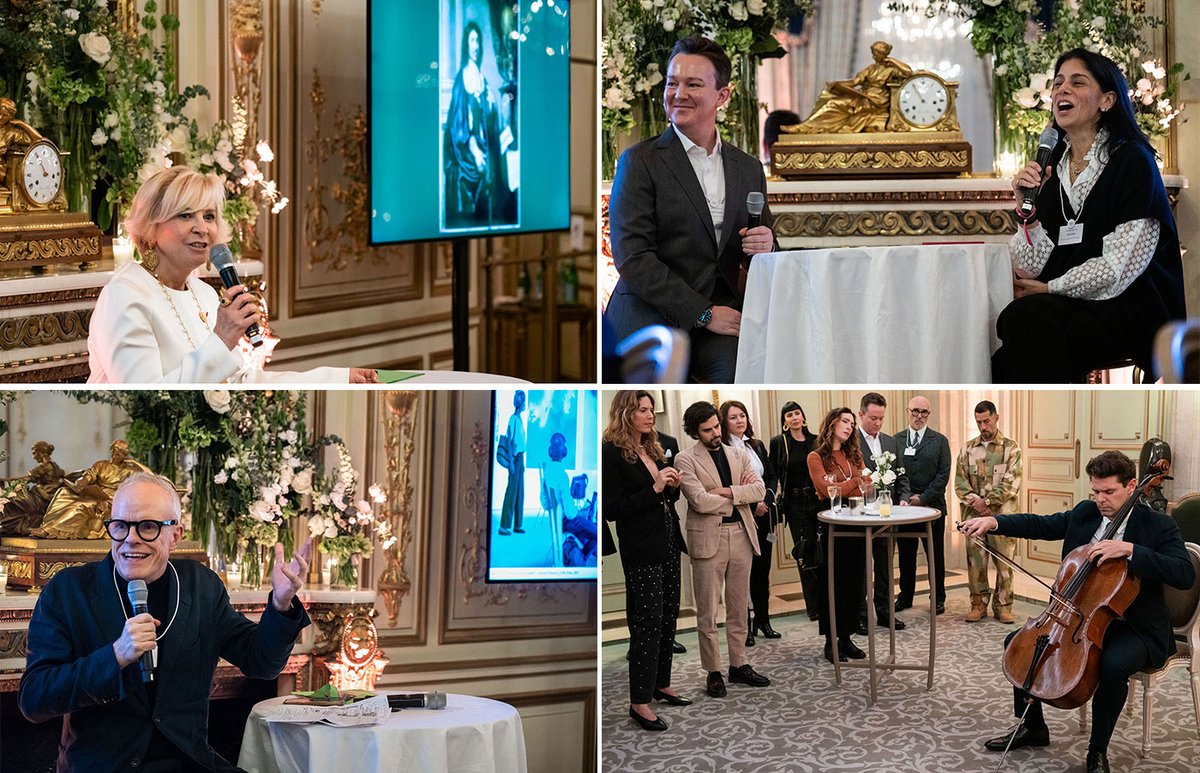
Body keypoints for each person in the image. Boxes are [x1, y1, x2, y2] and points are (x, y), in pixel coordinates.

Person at [19, 473, 312, 771]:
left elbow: (262, 663)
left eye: (148, 526)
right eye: (120, 526)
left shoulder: (201, 586)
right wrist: (115, 656)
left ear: (175, 535)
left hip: (189, 762)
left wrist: (281, 602)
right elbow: (34, 700)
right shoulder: (69, 590)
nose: (130, 539)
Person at [961, 451, 1195, 773]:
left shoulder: (1158, 524)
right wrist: (994, 521)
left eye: (1108, 492)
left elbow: (1184, 573)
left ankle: (1097, 750)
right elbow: (1041, 524)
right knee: (1019, 644)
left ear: (1130, 487)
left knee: (1112, 666)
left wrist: (1131, 550)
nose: (1100, 499)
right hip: (1079, 619)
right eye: (1095, 491)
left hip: (1135, 625)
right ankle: (1033, 727)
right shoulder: (1086, 513)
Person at [992, 48, 1185, 382]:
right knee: (1012, 344)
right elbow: (1029, 265)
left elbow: (1119, 268)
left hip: (1130, 304)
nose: (1061, 90)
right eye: (1058, 83)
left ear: (1107, 100)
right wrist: (1029, 215)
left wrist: (1050, 289)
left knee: (1025, 324)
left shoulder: (1133, 162)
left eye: (1077, 82)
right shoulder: (1053, 166)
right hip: (1066, 305)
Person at [87, 166, 377, 384]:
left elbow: (238, 382)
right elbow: (145, 399)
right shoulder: (124, 296)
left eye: (209, 216)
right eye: (186, 215)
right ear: (151, 226)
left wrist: (337, 378)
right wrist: (223, 337)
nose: (203, 228)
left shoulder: (202, 292)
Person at [606, 35, 777, 383]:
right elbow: (634, 257)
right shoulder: (639, 161)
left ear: (722, 96)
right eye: (672, 83)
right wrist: (702, 313)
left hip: (721, 318)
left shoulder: (747, 168)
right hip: (649, 315)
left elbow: (764, 253)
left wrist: (767, 245)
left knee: (746, 373)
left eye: (693, 84)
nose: (678, 94)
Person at [602, 391, 688, 731]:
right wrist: (653, 488)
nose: (650, 415)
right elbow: (613, 509)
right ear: (626, 413)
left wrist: (672, 485)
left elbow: (665, 497)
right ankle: (639, 702)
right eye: (642, 409)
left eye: (651, 409)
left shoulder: (652, 448)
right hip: (640, 546)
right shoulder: (611, 453)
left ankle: (660, 684)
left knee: (669, 615)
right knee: (647, 622)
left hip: (667, 538)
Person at [675, 401, 769, 697]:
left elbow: (760, 490)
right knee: (707, 609)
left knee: (739, 606)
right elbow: (699, 501)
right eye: (708, 429)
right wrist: (738, 497)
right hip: (707, 539)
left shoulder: (738, 453)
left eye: (717, 426)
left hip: (741, 534)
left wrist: (726, 491)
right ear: (695, 432)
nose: (716, 432)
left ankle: (738, 664)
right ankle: (713, 670)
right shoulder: (684, 459)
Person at [806, 408, 869, 663]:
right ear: (832, 423)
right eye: (845, 421)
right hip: (831, 523)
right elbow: (826, 489)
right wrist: (854, 483)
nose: (849, 426)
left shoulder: (853, 455)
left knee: (854, 584)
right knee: (832, 584)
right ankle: (831, 641)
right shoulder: (816, 456)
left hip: (856, 523)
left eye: (852, 423)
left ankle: (846, 637)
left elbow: (870, 485)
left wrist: (848, 486)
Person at [955, 400, 1023, 623]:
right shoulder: (967, 449)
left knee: (1004, 562)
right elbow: (960, 483)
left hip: (1003, 517)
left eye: (986, 421)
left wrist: (988, 503)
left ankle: (1003, 606)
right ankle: (978, 604)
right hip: (973, 518)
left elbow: (1011, 483)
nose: (983, 426)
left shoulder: (1011, 448)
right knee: (976, 562)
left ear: (996, 418)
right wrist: (977, 503)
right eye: (979, 422)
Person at [718, 400, 778, 646]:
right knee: (742, 575)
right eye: (733, 417)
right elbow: (733, 485)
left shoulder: (756, 445)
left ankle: (763, 621)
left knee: (762, 572)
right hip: (743, 517)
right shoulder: (722, 449)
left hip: (765, 516)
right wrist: (754, 505)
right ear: (724, 422)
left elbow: (770, 476)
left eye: (742, 415)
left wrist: (765, 499)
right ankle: (745, 627)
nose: (740, 420)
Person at [443, 21, 507, 228]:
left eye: (478, 40)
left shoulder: (482, 78)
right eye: (472, 40)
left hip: (483, 144)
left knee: (494, 172)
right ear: (466, 44)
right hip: (465, 149)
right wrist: (472, 147)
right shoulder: (462, 79)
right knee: (474, 172)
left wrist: (492, 104)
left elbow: (488, 119)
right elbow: (458, 126)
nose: (476, 45)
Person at [856, 393, 910, 634]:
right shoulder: (851, 441)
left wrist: (904, 499)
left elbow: (902, 476)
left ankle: (886, 614)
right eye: (873, 418)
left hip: (889, 514)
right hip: (862, 515)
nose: (877, 423)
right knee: (862, 569)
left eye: (881, 418)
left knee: (886, 566)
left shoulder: (891, 441)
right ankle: (861, 616)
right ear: (861, 414)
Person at [895, 396, 952, 615]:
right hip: (905, 509)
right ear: (907, 411)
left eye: (924, 412)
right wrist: (908, 497)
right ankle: (905, 596)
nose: (919, 416)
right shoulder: (896, 440)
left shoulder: (939, 440)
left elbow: (943, 474)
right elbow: (895, 473)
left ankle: (938, 598)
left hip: (933, 508)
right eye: (915, 411)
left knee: (935, 555)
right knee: (906, 556)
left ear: (929, 414)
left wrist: (923, 498)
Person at [31, 440, 152, 540]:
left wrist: (134, 462)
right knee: (63, 493)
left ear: (125, 455)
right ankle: (46, 524)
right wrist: (81, 481)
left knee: (83, 505)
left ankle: (49, 530)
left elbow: (151, 475)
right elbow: (89, 475)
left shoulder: (129, 470)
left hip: (112, 499)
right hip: (95, 493)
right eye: (115, 451)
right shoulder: (101, 464)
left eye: (120, 453)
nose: (116, 455)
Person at [768, 401, 820, 622]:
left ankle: (825, 602)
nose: (794, 417)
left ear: (803, 416)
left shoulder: (816, 440)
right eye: (789, 415)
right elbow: (772, 472)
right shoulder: (780, 443)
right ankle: (813, 607)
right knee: (804, 554)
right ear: (785, 421)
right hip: (795, 505)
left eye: (797, 413)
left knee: (821, 552)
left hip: (817, 503)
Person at [788, 41, 912, 134]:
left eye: (876, 53)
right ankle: (808, 126)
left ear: (883, 54)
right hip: (863, 97)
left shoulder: (892, 69)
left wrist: (893, 60)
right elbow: (854, 82)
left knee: (834, 105)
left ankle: (805, 128)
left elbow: (908, 73)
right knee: (831, 99)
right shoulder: (870, 69)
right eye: (873, 53)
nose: (873, 56)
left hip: (877, 101)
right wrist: (838, 84)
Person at [0, 441, 67, 535]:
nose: (34, 457)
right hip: (40, 497)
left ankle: (9, 526)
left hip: (40, 500)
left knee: (6, 496)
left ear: (41, 453)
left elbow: (25, 480)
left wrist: (3, 481)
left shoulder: (46, 466)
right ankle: (9, 525)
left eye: (35, 453)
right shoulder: (53, 465)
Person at [498, 390, 527, 536]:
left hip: (520, 458)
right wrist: (510, 462)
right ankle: (504, 526)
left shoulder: (519, 419)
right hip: (514, 458)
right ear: (520, 403)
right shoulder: (513, 419)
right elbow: (509, 441)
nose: (525, 404)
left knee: (520, 492)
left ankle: (517, 524)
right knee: (511, 491)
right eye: (524, 401)